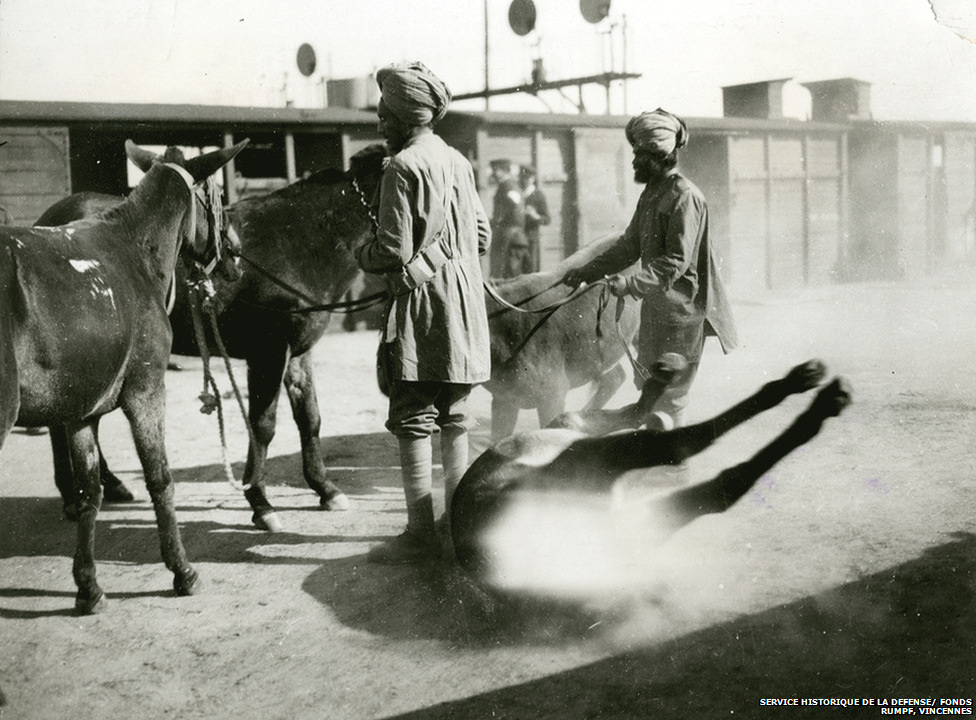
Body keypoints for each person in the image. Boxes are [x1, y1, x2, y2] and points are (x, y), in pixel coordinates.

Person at [357, 61, 492, 565]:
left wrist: (362, 256)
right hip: (464, 305)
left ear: (404, 115)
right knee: (456, 414)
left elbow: (391, 250)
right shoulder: (458, 161)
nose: (379, 124)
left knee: (413, 414)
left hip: (422, 306)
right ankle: (460, 529)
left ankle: (419, 535)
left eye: (383, 114)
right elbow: (481, 236)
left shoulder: (401, 167)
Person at [563, 108, 737, 427]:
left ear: (659, 154)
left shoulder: (685, 197)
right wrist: (587, 271)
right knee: (650, 387)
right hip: (657, 310)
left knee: (669, 393)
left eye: (638, 154)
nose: (633, 161)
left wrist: (629, 285)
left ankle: (673, 463)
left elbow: (676, 261)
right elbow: (630, 246)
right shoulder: (652, 193)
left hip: (681, 314)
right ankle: (662, 456)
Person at [488, 159, 527, 278]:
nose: (493, 174)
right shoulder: (507, 186)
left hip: (508, 236)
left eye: (495, 171)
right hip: (508, 233)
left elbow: (516, 210)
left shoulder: (508, 186)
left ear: (502, 171)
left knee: (506, 272)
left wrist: (500, 224)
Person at [519, 165, 550, 274]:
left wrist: (534, 215)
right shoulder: (518, 193)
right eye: (524, 178)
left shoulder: (538, 195)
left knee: (530, 269)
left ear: (533, 178)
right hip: (517, 238)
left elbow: (547, 219)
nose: (526, 181)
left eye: (529, 178)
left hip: (530, 239)